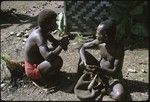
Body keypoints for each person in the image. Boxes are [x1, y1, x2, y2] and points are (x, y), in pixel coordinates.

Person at [78, 19, 125, 101]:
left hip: (112, 77)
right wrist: (84, 61)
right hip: (98, 72)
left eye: (98, 33)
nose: (96, 35)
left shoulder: (118, 48)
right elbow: (82, 47)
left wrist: (99, 70)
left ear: (106, 36)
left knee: (119, 96)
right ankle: (80, 79)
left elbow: (115, 71)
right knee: (84, 55)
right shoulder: (100, 43)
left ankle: (107, 90)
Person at [24, 9, 69, 85]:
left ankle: (48, 72)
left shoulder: (44, 31)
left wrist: (63, 42)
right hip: (32, 69)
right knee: (57, 61)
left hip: (38, 60)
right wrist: (61, 45)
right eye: (54, 22)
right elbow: (48, 57)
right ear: (47, 24)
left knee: (55, 49)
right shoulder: (39, 36)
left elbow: (55, 43)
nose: (56, 24)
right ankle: (43, 78)